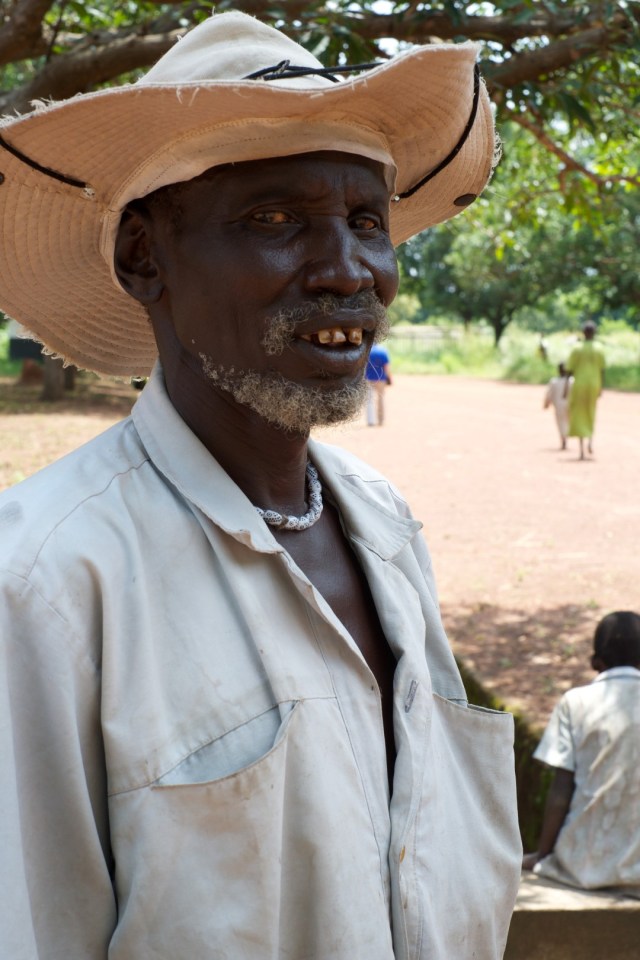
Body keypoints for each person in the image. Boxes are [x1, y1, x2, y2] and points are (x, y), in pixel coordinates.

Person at [0, 12, 522, 959]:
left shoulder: (387, 529)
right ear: (143, 258)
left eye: (367, 221)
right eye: (275, 220)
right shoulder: (45, 580)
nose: (347, 269)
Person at [523, 611, 640, 896]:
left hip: (581, 866)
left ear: (597, 660)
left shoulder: (575, 703)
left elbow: (561, 790)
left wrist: (544, 855)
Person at [566, 320, 605, 460]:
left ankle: (582, 449)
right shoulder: (599, 348)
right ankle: (590, 441)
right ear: (594, 333)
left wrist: (565, 387)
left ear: (583, 332)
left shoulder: (576, 348)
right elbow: (602, 370)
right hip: (594, 384)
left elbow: (569, 370)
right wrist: (601, 387)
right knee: (591, 412)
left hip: (580, 385)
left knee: (579, 414)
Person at [543, 362, 573, 450]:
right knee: (568, 421)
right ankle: (566, 436)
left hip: (559, 406)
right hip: (570, 405)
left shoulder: (554, 381)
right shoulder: (572, 381)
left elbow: (549, 394)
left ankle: (563, 439)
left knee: (561, 423)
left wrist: (546, 403)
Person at [365, 342, 392, 426]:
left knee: (369, 400)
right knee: (380, 399)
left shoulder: (366, 351)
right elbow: (386, 366)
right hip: (381, 379)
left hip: (368, 378)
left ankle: (370, 421)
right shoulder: (383, 351)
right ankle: (380, 420)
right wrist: (389, 378)